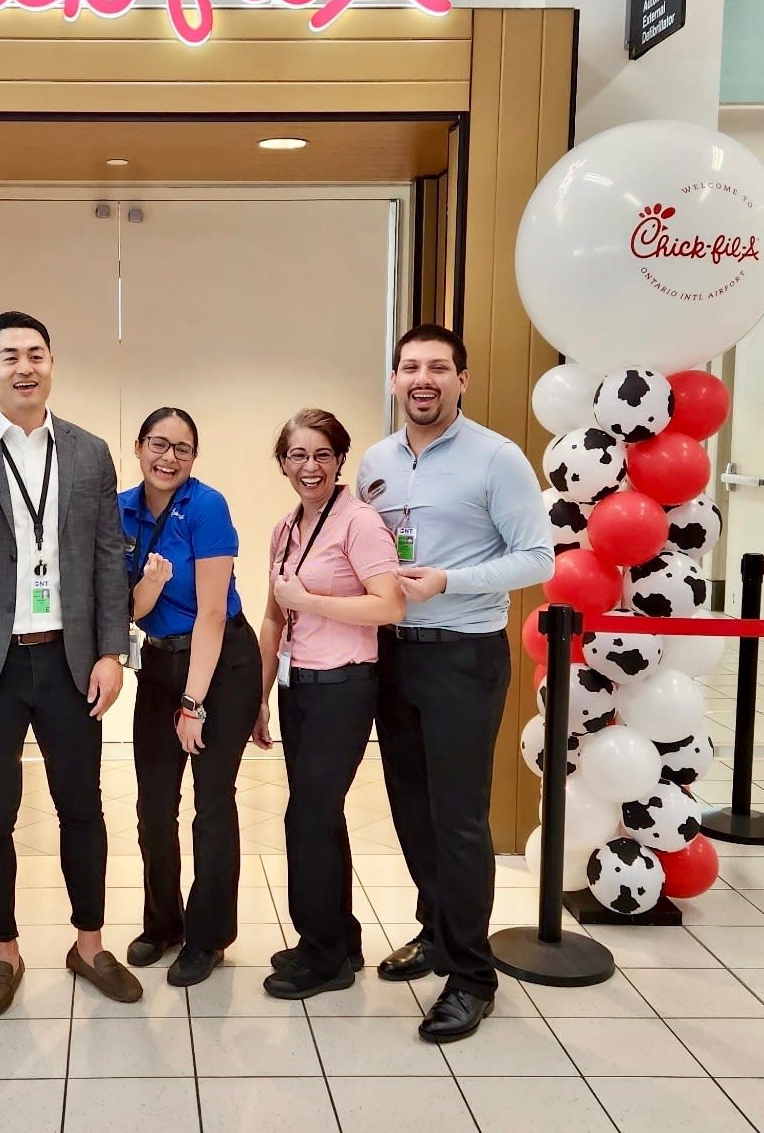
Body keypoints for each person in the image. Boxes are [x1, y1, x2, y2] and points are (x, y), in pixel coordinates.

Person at [0, 311, 139, 1016]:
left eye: (36, 353)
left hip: (69, 661)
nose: (23, 366)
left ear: (50, 363)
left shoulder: (90, 451)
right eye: (8, 355)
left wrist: (110, 651)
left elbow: (107, 558)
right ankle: (3, 951)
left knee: (83, 810)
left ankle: (89, 944)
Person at [358, 323, 553, 1043]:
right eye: (410, 366)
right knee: (409, 807)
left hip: (463, 655)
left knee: (459, 820)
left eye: (438, 367)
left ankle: (471, 977)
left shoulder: (496, 458)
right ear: (393, 379)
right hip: (392, 654)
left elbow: (538, 559)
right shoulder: (374, 462)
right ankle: (435, 932)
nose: (423, 378)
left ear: (460, 381)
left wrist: (449, 581)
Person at [254, 409, 403, 1001]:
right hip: (298, 688)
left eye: (321, 455)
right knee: (321, 817)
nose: (309, 467)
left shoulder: (359, 523)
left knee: (308, 817)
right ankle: (338, 937)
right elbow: (272, 615)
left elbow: (388, 605)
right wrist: (261, 696)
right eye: (297, 456)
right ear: (283, 463)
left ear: (341, 459)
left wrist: (311, 600)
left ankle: (325, 957)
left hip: (344, 686)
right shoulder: (286, 527)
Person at [121, 408, 262, 987]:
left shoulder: (206, 506)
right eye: (160, 444)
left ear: (193, 458)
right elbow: (124, 610)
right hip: (158, 663)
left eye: (183, 448)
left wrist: (194, 704)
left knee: (211, 803)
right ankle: (163, 924)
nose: (169, 457)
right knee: (154, 807)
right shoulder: (121, 508)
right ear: (139, 446)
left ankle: (207, 938)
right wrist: (148, 586)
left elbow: (209, 611)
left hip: (220, 665)